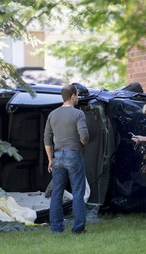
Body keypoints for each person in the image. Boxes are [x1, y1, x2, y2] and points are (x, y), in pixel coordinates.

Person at [44, 84, 89, 234]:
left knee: (56, 193)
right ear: (72, 96)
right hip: (73, 154)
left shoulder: (52, 114)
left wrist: (50, 159)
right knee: (77, 192)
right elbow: (84, 137)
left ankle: (56, 229)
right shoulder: (78, 114)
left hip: (57, 156)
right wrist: (83, 143)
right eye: (77, 95)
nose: (78, 98)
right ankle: (78, 229)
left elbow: (47, 139)